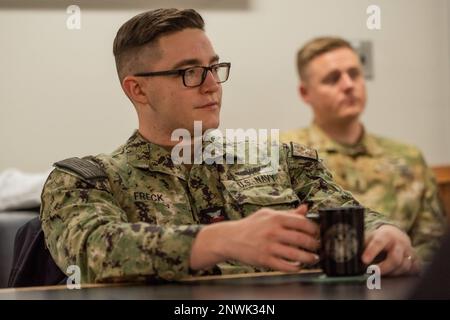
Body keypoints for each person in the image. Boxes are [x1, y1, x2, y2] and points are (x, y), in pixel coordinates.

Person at [40, 9, 418, 284]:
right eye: (189, 72)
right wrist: (221, 241)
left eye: (214, 67)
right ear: (137, 88)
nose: (212, 85)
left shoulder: (280, 160)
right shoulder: (87, 180)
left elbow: (348, 213)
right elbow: (92, 252)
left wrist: (386, 232)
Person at [281, 37, 446, 263]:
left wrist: (406, 263)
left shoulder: (408, 158)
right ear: (305, 93)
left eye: (355, 73)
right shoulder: (287, 155)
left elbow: (433, 245)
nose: (348, 85)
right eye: (333, 79)